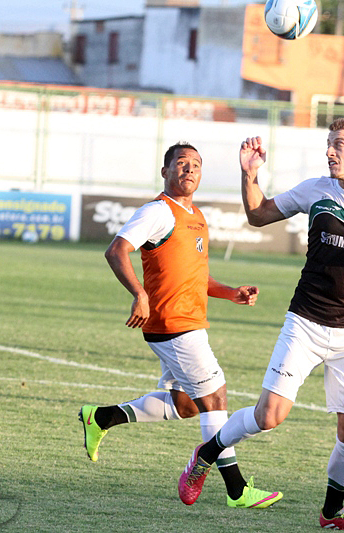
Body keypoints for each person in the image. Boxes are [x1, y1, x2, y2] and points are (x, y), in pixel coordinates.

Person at [177, 119, 344, 532]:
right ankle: (203, 456)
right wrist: (250, 175)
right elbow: (259, 215)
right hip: (306, 323)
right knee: (269, 415)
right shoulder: (316, 190)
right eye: (328, 145)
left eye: (337, 145)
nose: (329, 152)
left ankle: (332, 514)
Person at [79, 141, 282, 510]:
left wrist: (230, 293)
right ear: (166, 172)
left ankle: (102, 417)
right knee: (215, 398)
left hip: (186, 322)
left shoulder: (196, 216)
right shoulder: (158, 211)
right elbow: (116, 250)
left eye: (196, 165)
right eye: (181, 163)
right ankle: (236, 489)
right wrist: (139, 294)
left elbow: (196, 276)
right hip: (174, 324)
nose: (189, 169)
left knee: (186, 404)